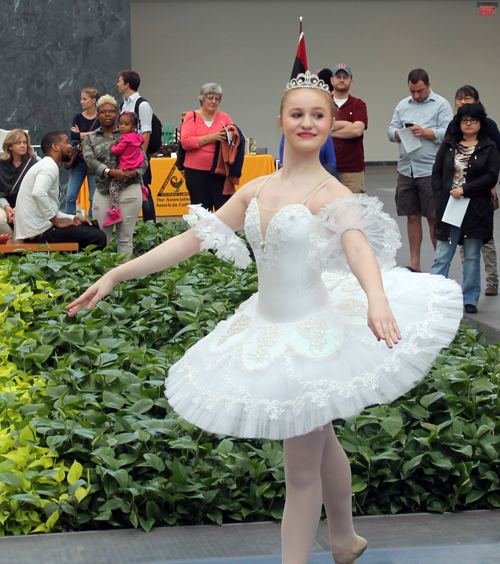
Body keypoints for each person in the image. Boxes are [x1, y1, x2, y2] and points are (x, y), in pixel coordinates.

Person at [67, 72, 462, 564]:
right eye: (297, 113)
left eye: (318, 114)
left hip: (314, 333)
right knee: (321, 441)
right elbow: (190, 240)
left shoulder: (331, 193)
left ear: (331, 122)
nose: (307, 122)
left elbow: (358, 249)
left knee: (300, 471)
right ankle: (343, 540)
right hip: (266, 326)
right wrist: (116, 275)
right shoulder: (255, 190)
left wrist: (376, 298)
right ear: (281, 120)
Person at [430, 103, 499, 314]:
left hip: (475, 209)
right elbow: (437, 172)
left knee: (471, 256)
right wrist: (441, 196)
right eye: (464, 120)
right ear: (458, 123)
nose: (468, 124)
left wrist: (465, 189)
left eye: (473, 120)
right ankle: (433, 295)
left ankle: (469, 299)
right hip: (450, 207)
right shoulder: (449, 144)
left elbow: (491, 177)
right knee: (443, 254)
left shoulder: (488, 147)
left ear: (481, 123)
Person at [388, 69, 453, 273]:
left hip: (430, 170)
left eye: (420, 91)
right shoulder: (402, 105)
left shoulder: (441, 104)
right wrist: (398, 134)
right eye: (412, 91)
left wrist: (425, 132)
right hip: (407, 169)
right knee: (412, 216)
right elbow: (390, 130)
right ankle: (414, 262)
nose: (416, 95)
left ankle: (439, 264)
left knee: (433, 217)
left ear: (429, 85)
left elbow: (449, 132)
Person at [447, 85, 500, 296]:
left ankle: (492, 280)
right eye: (459, 98)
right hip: (458, 192)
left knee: (484, 238)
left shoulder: (489, 126)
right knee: (463, 239)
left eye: (467, 98)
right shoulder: (454, 125)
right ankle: (468, 282)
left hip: (481, 191)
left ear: (477, 101)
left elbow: (495, 159)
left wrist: (492, 185)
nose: (462, 102)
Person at [14, 131, 107, 251]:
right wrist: (56, 221)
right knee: (98, 237)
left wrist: (73, 218)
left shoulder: (47, 164)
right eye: (67, 142)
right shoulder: (49, 166)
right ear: (55, 146)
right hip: (36, 232)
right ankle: (84, 268)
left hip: (38, 229)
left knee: (90, 226)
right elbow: (38, 193)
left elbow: (49, 207)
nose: (71, 147)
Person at [83, 95, 148, 258]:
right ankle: (101, 277)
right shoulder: (90, 138)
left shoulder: (129, 134)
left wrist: (130, 173)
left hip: (129, 188)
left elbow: (144, 161)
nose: (107, 114)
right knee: (100, 238)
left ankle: (124, 279)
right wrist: (110, 172)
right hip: (104, 190)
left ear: (117, 114)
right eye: (103, 111)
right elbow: (90, 160)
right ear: (97, 115)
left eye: (111, 111)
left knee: (125, 238)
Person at [181, 83, 234, 211]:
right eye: (210, 98)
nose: (214, 102)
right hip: (196, 173)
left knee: (224, 210)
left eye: (217, 99)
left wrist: (231, 135)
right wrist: (213, 137)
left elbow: (234, 135)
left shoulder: (225, 117)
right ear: (202, 99)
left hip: (220, 173)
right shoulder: (191, 116)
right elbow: (186, 142)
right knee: (202, 212)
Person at [117, 70, 156, 222]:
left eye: (119, 81)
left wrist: (141, 157)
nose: (117, 84)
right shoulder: (124, 104)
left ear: (127, 84)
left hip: (137, 157)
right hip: (125, 157)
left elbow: (146, 131)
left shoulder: (142, 105)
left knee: (143, 190)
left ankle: (150, 224)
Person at [330, 64, 368, 193]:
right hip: (325, 168)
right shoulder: (323, 103)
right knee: (325, 210)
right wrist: (348, 123)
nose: (341, 80)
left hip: (352, 171)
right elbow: (319, 127)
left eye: (345, 77)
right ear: (332, 80)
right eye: (338, 76)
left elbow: (357, 130)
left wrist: (329, 131)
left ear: (351, 81)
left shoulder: (359, 104)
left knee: (352, 210)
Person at [105, 111, 146, 226]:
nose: (122, 126)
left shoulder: (125, 138)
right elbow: (142, 141)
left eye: (126, 124)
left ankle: (114, 212)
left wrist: (113, 147)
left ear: (133, 127)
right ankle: (143, 193)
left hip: (125, 167)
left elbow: (119, 150)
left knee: (113, 188)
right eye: (121, 123)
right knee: (140, 178)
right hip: (137, 164)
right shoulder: (138, 137)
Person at [66, 88, 101, 215]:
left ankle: (92, 227)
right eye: (81, 98)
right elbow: (73, 136)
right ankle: (69, 223)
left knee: (93, 198)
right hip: (79, 159)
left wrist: (81, 133)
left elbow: (101, 135)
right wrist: (92, 134)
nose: (81, 101)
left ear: (94, 100)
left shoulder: (101, 117)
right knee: (70, 196)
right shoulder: (78, 116)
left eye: (84, 99)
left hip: (95, 160)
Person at [0, 129, 38, 235]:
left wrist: (19, 208)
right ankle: (12, 243)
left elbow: (35, 191)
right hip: (4, 205)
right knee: (0, 220)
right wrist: (7, 208)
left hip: (27, 205)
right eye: (18, 142)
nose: (22, 145)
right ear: (10, 146)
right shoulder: (1, 164)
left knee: (21, 218)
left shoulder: (33, 164)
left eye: (25, 142)